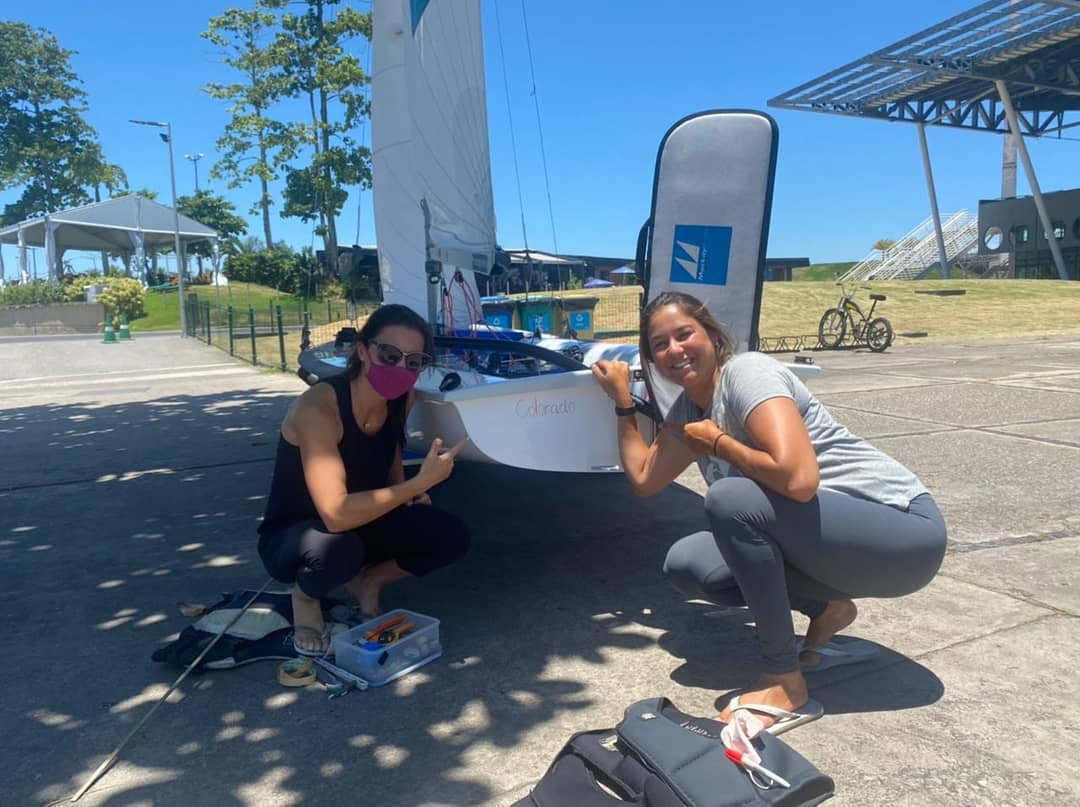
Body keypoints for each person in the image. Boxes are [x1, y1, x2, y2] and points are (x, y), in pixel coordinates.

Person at [591, 291, 946, 730]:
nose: (674, 350)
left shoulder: (747, 374)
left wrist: (720, 443)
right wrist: (622, 403)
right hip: (838, 544)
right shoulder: (688, 411)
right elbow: (645, 479)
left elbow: (798, 480)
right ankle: (828, 609)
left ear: (711, 335)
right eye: (659, 345)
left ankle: (784, 677)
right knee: (689, 563)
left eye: (684, 334)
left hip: (904, 532)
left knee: (730, 500)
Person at [258, 304, 470, 655]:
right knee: (339, 549)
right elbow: (335, 515)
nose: (401, 368)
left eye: (414, 361)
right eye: (389, 354)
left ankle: (369, 582)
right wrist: (419, 484)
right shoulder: (320, 409)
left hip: (364, 519)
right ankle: (305, 597)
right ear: (362, 350)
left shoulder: (401, 398)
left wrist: (407, 498)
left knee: (451, 534)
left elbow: (391, 454)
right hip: (298, 534)